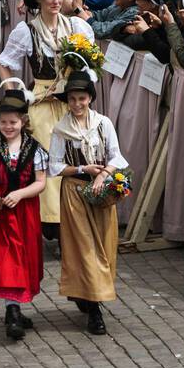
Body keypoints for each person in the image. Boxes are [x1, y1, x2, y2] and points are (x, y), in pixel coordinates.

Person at [0, 0, 96, 235]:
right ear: (38, 1)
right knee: (48, 157)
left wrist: (84, 80)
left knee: (77, 155)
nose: (54, 1)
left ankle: (74, 217)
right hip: (42, 101)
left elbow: (91, 67)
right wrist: (13, 94)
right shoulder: (27, 31)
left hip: (72, 101)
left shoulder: (77, 27)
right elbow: (5, 64)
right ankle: (50, 219)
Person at [48, 70, 129, 336]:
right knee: (84, 249)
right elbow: (55, 166)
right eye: (72, 99)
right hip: (75, 194)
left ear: (90, 99)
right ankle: (95, 310)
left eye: (81, 98)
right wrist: (83, 170)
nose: (77, 104)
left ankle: (86, 294)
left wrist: (103, 175)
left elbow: (116, 157)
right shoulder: (61, 129)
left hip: (101, 193)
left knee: (104, 247)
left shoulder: (103, 124)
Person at [0, 85, 48, 340]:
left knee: (24, 258)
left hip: (25, 210)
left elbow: (41, 182)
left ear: (23, 121)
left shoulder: (34, 148)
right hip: (0, 215)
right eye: (4, 122)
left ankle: (14, 306)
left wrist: (20, 193)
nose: (8, 126)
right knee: (5, 260)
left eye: (13, 122)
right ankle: (12, 311)